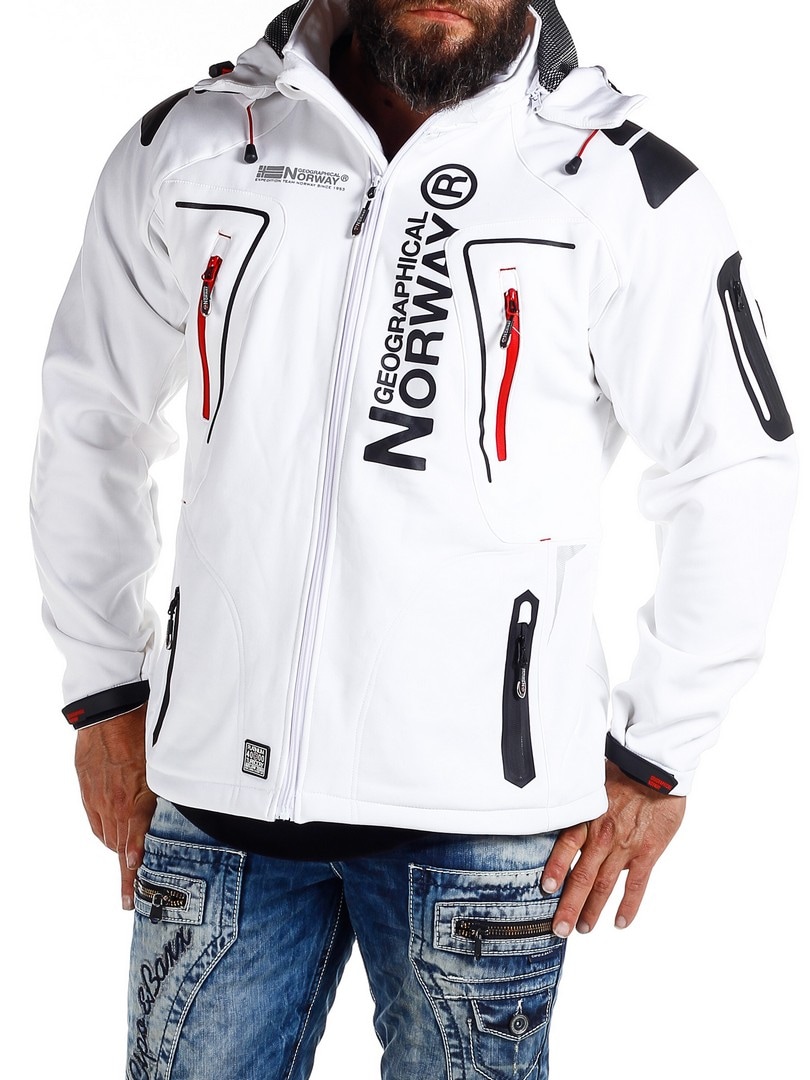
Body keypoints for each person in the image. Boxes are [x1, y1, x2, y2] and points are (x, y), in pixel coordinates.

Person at [30, 0, 797, 1076]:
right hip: (215, 799)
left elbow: (734, 469)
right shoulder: (192, 146)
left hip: (486, 832)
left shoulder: (621, 186)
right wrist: (105, 689)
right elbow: (92, 421)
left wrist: (659, 754)